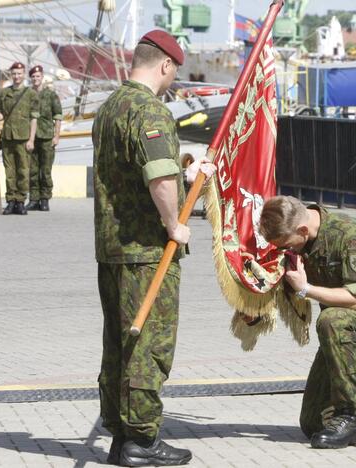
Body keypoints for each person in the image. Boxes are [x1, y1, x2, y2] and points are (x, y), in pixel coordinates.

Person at [93, 29, 214, 467]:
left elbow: (137, 170)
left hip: (112, 248)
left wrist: (187, 172)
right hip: (146, 251)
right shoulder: (150, 110)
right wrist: (173, 224)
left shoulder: (109, 108)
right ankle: (142, 439)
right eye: (173, 72)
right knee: (149, 344)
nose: (172, 80)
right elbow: (159, 177)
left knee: (120, 344)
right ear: (165, 65)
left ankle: (121, 434)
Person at [259, 195, 356, 450]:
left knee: (330, 318)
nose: (284, 250)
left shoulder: (349, 236)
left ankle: (348, 417)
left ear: (301, 229)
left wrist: (305, 289)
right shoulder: (302, 238)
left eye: (286, 244)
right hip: (339, 331)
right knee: (313, 423)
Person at [0, 62, 38, 215]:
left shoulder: (30, 94)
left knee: (23, 171)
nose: (17, 76)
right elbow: (1, 113)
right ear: (11, 75)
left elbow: (33, 119)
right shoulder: (4, 93)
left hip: (23, 137)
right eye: (14, 74)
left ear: (24, 74)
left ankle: (20, 201)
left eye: (19, 73)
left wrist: (31, 139)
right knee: (9, 171)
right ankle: (10, 201)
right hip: (7, 137)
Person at [26, 65, 63, 212]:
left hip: (47, 136)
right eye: (33, 77)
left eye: (38, 76)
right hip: (31, 137)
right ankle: (34, 199)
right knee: (32, 170)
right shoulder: (27, 94)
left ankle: (45, 198)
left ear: (42, 77)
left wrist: (57, 136)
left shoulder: (50, 95)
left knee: (45, 170)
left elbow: (58, 116)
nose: (36, 79)